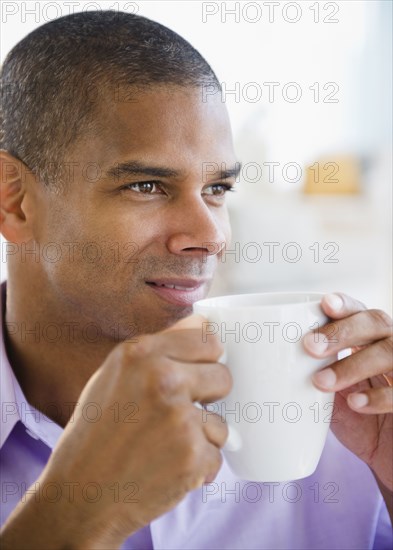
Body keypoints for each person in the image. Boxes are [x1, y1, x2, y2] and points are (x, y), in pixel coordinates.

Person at [0, 10, 392, 550]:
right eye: (145, 185)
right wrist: (71, 518)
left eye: (217, 189)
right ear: (14, 200)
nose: (208, 235)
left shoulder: (341, 424)